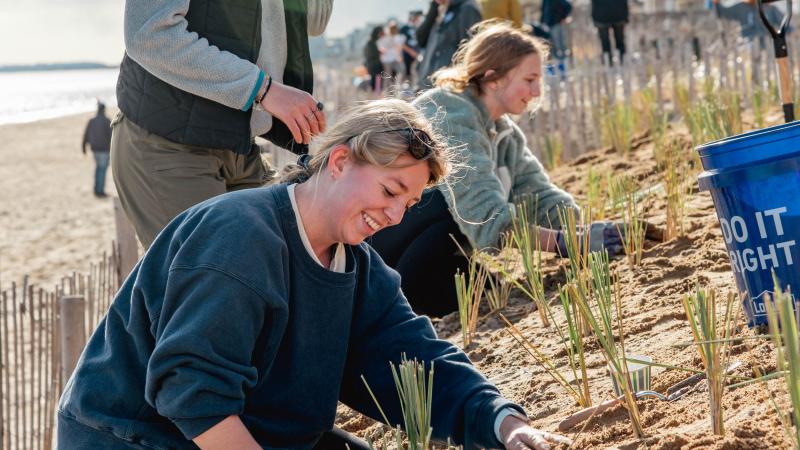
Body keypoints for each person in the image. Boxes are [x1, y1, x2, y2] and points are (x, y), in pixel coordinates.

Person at [57, 99, 572, 450]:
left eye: (409, 205)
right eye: (390, 192)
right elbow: (191, 390)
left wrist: (504, 422)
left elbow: (414, 357)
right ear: (341, 161)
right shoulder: (241, 236)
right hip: (134, 436)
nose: (394, 217)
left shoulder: (357, 264)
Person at [371, 22, 625, 317]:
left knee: (489, 292)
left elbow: (538, 194)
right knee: (474, 297)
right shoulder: (446, 111)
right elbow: (483, 216)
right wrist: (563, 242)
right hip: (394, 252)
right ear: (492, 77)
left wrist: (587, 229)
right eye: (529, 79)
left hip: (444, 250)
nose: (537, 91)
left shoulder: (505, 133)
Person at [111, 0, 332, 249]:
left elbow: (315, 22)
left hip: (239, 144)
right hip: (167, 143)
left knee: (268, 271)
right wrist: (263, 89)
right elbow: (148, 34)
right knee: (213, 281)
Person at [416, 0, 483, 90]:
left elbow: (470, 52)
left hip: (447, 89)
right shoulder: (443, 10)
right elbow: (421, 39)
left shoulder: (467, 8)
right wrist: (434, 8)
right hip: (430, 87)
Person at [82, 102, 112, 198]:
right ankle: (99, 191)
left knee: (99, 168)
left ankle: (97, 189)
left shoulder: (92, 121)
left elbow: (86, 134)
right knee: (102, 169)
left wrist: (84, 147)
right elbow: (112, 137)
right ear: (103, 109)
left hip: (95, 149)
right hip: (104, 150)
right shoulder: (107, 121)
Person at [590, 0, 629, 66]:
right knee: (618, 42)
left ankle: (611, 64)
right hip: (616, 14)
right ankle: (620, 64)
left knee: (606, 43)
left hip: (603, 15)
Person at [541, 0, 573, 74]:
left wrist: (563, 17)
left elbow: (568, 6)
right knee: (552, 48)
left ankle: (564, 71)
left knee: (560, 48)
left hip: (556, 25)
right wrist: (542, 23)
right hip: (547, 27)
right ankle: (556, 72)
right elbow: (543, 11)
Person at [378, 21, 408, 85]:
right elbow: (381, 48)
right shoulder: (384, 38)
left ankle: (398, 86)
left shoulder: (398, 37)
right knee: (388, 76)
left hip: (395, 59)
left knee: (402, 70)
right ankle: (386, 91)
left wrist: (399, 56)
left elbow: (399, 47)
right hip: (387, 60)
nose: (393, 29)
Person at [400, 10, 424, 84]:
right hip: (407, 54)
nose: (418, 19)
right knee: (406, 73)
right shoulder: (404, 28)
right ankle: (404, 91)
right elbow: (402, 43)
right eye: (416, 17)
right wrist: (411, 52)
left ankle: (416, 88)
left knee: (418, 71)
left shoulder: (420, 27)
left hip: (418, 53)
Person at [364, 25, 385, 94]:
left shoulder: (370, 42)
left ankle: (376, 96)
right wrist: (380, 52)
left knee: (375, 85)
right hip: (375, 67)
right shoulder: (371, 43)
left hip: (372, 66)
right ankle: (376, 98)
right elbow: (373, 54)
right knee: (377, 86)